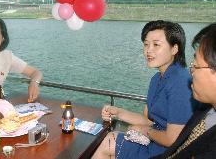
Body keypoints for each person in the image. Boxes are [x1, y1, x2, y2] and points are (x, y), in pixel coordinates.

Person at [92, 20, 196, 159]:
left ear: (174, 49)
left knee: (108, 142)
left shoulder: (181, 81)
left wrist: (146, 131)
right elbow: (149, 120)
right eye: (146, 44)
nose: (148, 50)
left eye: (156, 45)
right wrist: (118, 113)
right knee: (110, 141)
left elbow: (172, 138)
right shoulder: (156, 79)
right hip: (155, 141)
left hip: (167, 151)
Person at [152, 23, 216, 159]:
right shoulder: (204, 111)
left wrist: (146, 131)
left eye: (196, 66)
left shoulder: (179, 81)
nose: (191, 71)